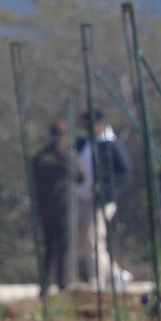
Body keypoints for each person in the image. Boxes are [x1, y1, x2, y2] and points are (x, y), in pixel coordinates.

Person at [75, 112, 133, 289]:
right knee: (83, 242)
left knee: (94, 240)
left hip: (100, 201)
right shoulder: (82, 142)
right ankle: (117, 274)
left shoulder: (111, 145)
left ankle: (98, 281)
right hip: (81, 198)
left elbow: (125, 172)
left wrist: (106, 192)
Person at [29, 120, 73, 293]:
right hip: (61, 207)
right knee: (62, 246)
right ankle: (62, 284)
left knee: (48, 247)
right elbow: (80, 175)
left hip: (43, 207)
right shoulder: (63, 157)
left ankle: (45, 284)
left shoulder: (40, 156)